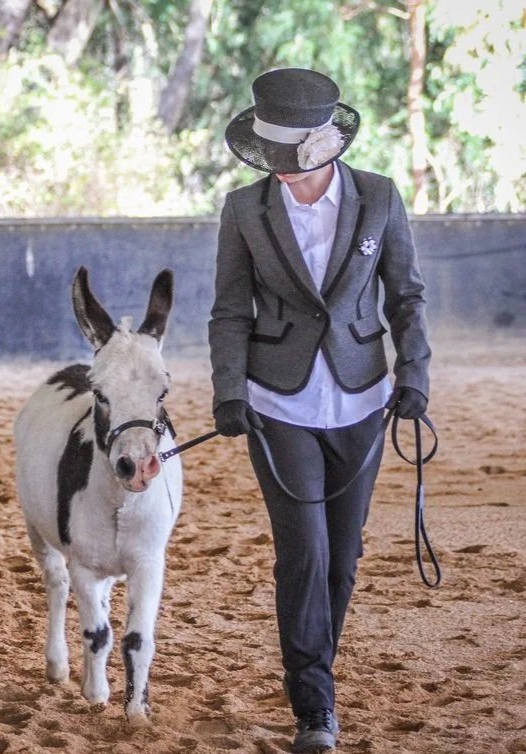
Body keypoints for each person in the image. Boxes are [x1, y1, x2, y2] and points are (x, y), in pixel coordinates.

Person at [209, 68, 431, 752]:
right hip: (277, 405)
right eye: (268, 160)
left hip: (364, 399)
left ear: (322, 148)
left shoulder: (381, 199)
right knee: (303, 556)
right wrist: (229, 389)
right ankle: (315, 708)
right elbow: (228, 310)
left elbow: (406, 298)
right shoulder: (244, 211)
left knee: (343, 557)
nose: (278, 172)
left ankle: (316, 670)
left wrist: (414, 377)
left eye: (288, 160)